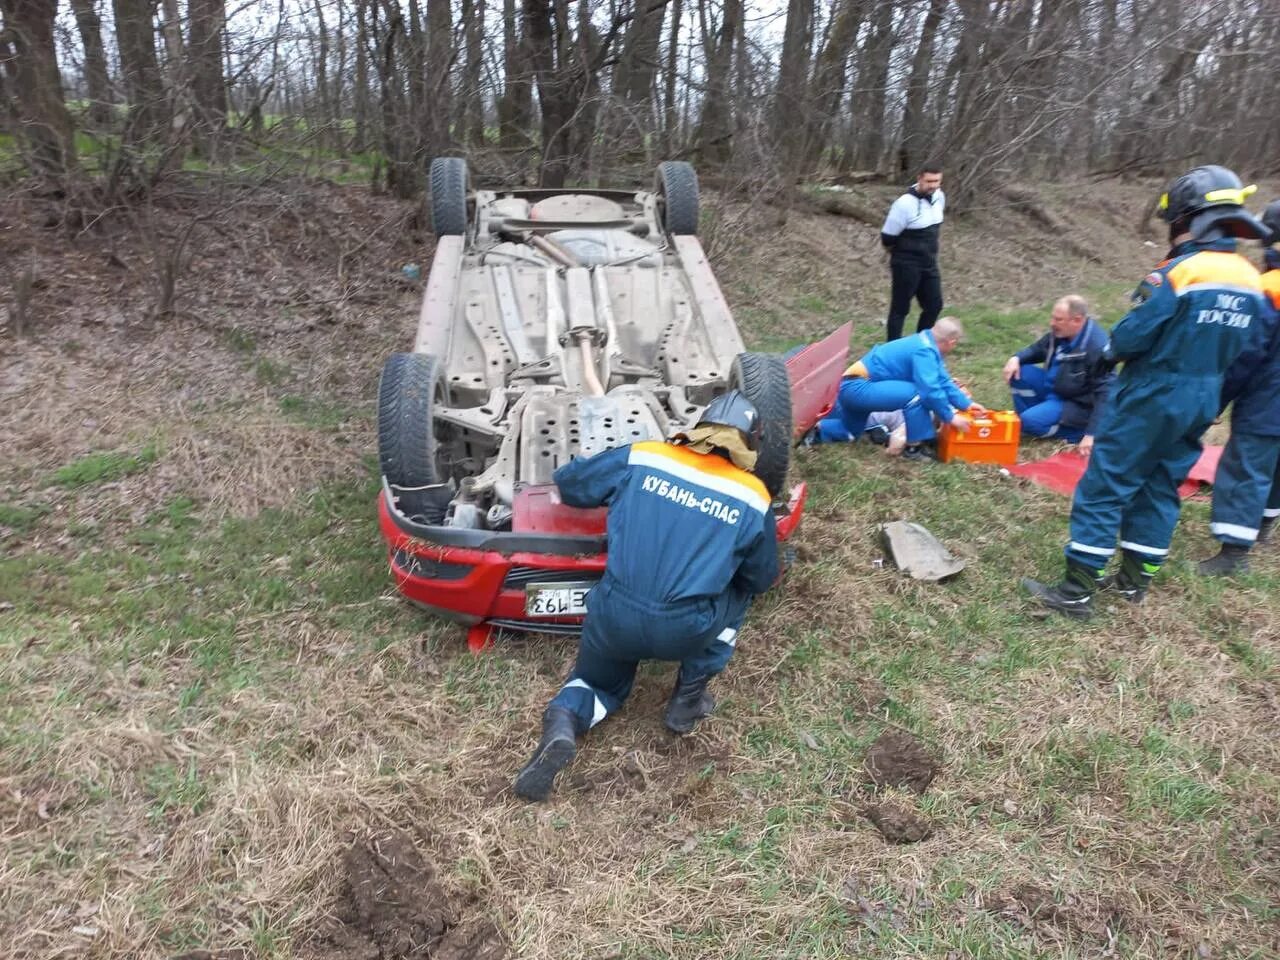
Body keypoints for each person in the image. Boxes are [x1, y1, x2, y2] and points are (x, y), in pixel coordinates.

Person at [1021, 166, 1269, 619]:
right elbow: (1251, 350)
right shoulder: (1251, 279)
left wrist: (1109, 351)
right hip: (1205, 393)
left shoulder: (1179, 272)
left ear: (1187, 220)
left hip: (1155, 389)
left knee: (1106, 483)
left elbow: (1133, 336)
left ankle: (1076, 592)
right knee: (1161, 484)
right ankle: (1135, 582)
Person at [513, 391, 779, 802]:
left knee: (597, 682)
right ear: (752, 444)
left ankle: (565, 722)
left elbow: (570, 485)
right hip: (685, 630)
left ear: (700, 427)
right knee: (740, 593)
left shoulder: (645, 456)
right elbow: (760, 578)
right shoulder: (752, 496)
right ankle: (687, 701)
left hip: (614, 615)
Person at [1198, 199, 1280, 575]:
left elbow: (1247, 356)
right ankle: (1263, 527)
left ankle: (1234, 553)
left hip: (1268, 401)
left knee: (1245, 467)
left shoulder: (1268, 289)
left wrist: (1218, 398)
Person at [807, 317, 985, 460]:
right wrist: (950, 416)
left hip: (853, 386)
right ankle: (914, 448)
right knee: (916, 395)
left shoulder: (924, 345)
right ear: (951, 342)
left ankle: (813, 433)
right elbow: (930, 390)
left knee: (850, 432)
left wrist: (967, 405)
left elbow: (943, 380)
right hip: (857, 387)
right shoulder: (924, 351)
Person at [1001, 295, 1115, 454]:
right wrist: (1016, 358)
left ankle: (1074, 432)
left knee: (1029, 421)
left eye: (1058, 319)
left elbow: (1106, 392)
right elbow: (1037, 349)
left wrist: (1091, 434)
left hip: (1076, 403)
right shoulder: (1061, 333)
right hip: (1056, 388)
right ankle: (1034, 420)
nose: (1052, 323)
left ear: (1077, 320)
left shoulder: (1096, 347)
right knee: (1020, 372)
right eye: (1053, 318)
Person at [881, 165, 945, 341]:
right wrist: (902, 254)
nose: (933, 185)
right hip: (906, 262)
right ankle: (892, 351)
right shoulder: (904, 203)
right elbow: (887, 237)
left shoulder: (939, 197)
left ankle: (920, 345)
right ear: (919, 179)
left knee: (934, 305)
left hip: (929, 262)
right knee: (900, 308)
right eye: (929, 181)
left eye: (937, 181)